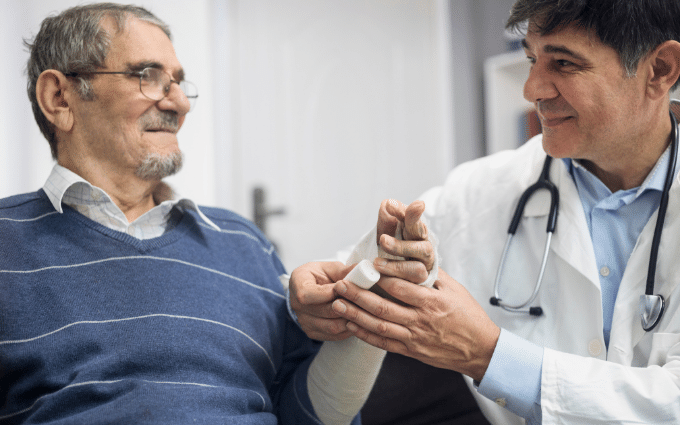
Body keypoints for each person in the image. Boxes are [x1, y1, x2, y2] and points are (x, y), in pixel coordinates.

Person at [289, 0, 680, 423]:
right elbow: (348, 269)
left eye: (564, 63)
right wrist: (314, 294)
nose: (532, 90)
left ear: (659, 69)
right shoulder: (485, 189)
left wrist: (489, 356)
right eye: (531, 59)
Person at [0, 4, 366, 424]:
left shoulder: (242, 241)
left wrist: (365, 318)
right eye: (148, 77)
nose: (178, 104)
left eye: (177, 82)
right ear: (59, 97)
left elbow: (307, 412)